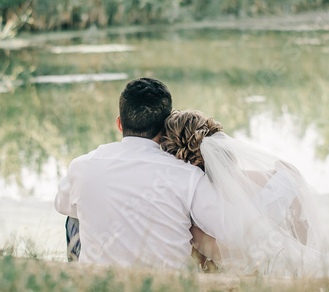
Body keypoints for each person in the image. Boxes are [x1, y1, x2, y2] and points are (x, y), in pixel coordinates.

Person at [160, 109, 329, 277]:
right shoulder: (277, 180)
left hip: (271, 282)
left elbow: (214, 266)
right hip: (314, 269)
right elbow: (309, 235)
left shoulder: (194, 216)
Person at [54, 78, 223, 269]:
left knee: (74, 216)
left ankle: (78, 272)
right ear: (165, 128)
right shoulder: (188, 174)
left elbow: (61, 204)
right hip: (168, 282)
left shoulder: (81, 166)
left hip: (101, 278)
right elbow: (219, 227)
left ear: (119, 124)